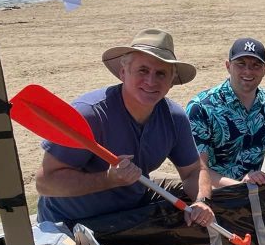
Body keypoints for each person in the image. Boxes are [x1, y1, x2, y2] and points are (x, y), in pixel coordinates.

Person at [35, 28, 214, 229]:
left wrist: (201, 202)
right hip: (70, 223)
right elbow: (45, 183)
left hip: (131, 213)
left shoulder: (174, 117)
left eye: (161, 73)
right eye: (143, 70)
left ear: (171, 82)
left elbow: (193, 171)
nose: (151, 81)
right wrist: (108, 180)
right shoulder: (89, 115)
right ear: (123, 73)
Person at [186, 37, 265, 187]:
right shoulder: (201, 107)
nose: (248, 71)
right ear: (228, 66)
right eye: (241, 64)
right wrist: (239, 187)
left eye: (256, 65)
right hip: (212, 198)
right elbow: (198, 171)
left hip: (253, 197)